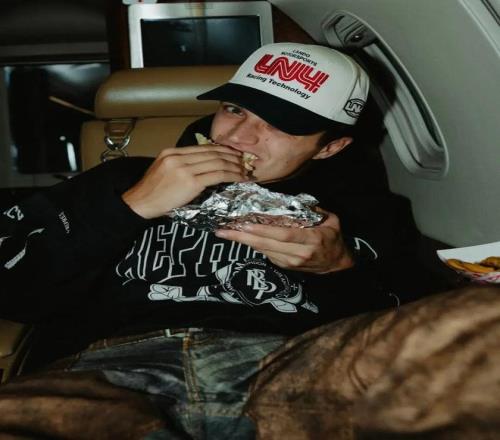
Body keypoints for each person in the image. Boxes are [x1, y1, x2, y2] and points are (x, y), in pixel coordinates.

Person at [0, 42, 427, 438]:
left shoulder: (366, 211)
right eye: (234, 109)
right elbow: (14, 294)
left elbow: (407, 345)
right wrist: (130, 207)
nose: (239, 136)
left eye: (283, 125)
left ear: (329, 147)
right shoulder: (119, 180)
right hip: (106, 375)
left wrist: (339, 270)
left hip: (285, 376)